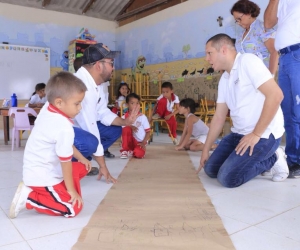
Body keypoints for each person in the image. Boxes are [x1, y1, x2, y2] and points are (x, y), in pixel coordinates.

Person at [197, 33, 289, 188]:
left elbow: (276, 95)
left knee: (227, 178)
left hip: (263, 135)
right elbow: (219, 117)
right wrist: (205, 149)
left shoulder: (247, 61)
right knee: (211, 169)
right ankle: (248, 158)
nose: (207, 58)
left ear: (224, 50)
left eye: (209, 53)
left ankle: (272, 158)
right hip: (239, 134)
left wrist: (256, 134)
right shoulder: (225, 79)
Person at [9, 71, 91, 219]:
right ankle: (29, 198)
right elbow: (65, 161)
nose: (80, 108)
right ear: (59, 102)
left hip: (42, 168)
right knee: (73, 209)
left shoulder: (48, 107)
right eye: (77, 103)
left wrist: (81, 158)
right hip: (42, 177)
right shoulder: (63, 127)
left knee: (83, 166)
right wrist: (71, 191)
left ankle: (58, 190)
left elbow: (66, 146)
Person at [73, 43, 140, 180]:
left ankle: (84, 159)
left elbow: (102, 112)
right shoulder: (81, 85)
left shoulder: (97, 85)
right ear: (98, 65)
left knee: (115, 129)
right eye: (111, 63)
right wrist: (103, 166)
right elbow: (90, 127)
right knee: (90, 141)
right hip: (62, 134)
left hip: (77, 129)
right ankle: (70, 167)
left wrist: (125, 121)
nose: (113, 68)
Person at [264, 0, 300, 178]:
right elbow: (268, 23)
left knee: (299, 112)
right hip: (284, 57)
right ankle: (294, 160)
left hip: (298, 53)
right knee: (289, 113)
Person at [230, 0, 278, 76]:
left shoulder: (262, 28)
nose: (238, 22)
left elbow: (274, 52)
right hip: (249, 76)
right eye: (236, 21)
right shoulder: (240, 35)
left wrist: (271, 75)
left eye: (239, 19)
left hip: (263, 74)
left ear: (248, 13)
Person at [120, 93, 151, 159]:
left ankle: (133, 151)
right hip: (130, 141)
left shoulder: (142, 117)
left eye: (137, 103)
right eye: (132, 103)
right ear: (127, 104)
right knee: (126, 128)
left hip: (140, 142)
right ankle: (125, 150)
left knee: (139, 154)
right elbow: (122, 130)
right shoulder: (124, 117)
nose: (135, 105)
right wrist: (131, 126)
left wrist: (143, 142)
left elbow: (148, 132)